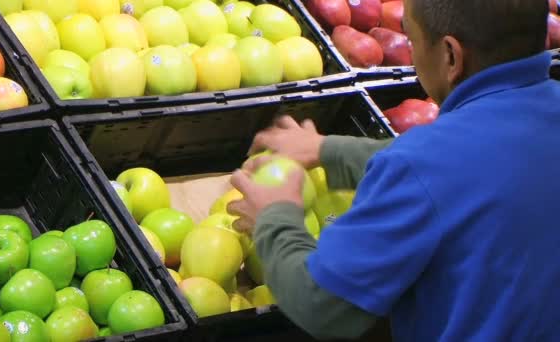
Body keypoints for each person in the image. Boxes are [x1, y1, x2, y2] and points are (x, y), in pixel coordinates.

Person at [227, 0, 560, 340]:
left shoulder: (422, 165)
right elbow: (481, 162)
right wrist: (330, 151)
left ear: (450, 56)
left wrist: (275, 218)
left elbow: (322, 305)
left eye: (412, 40)